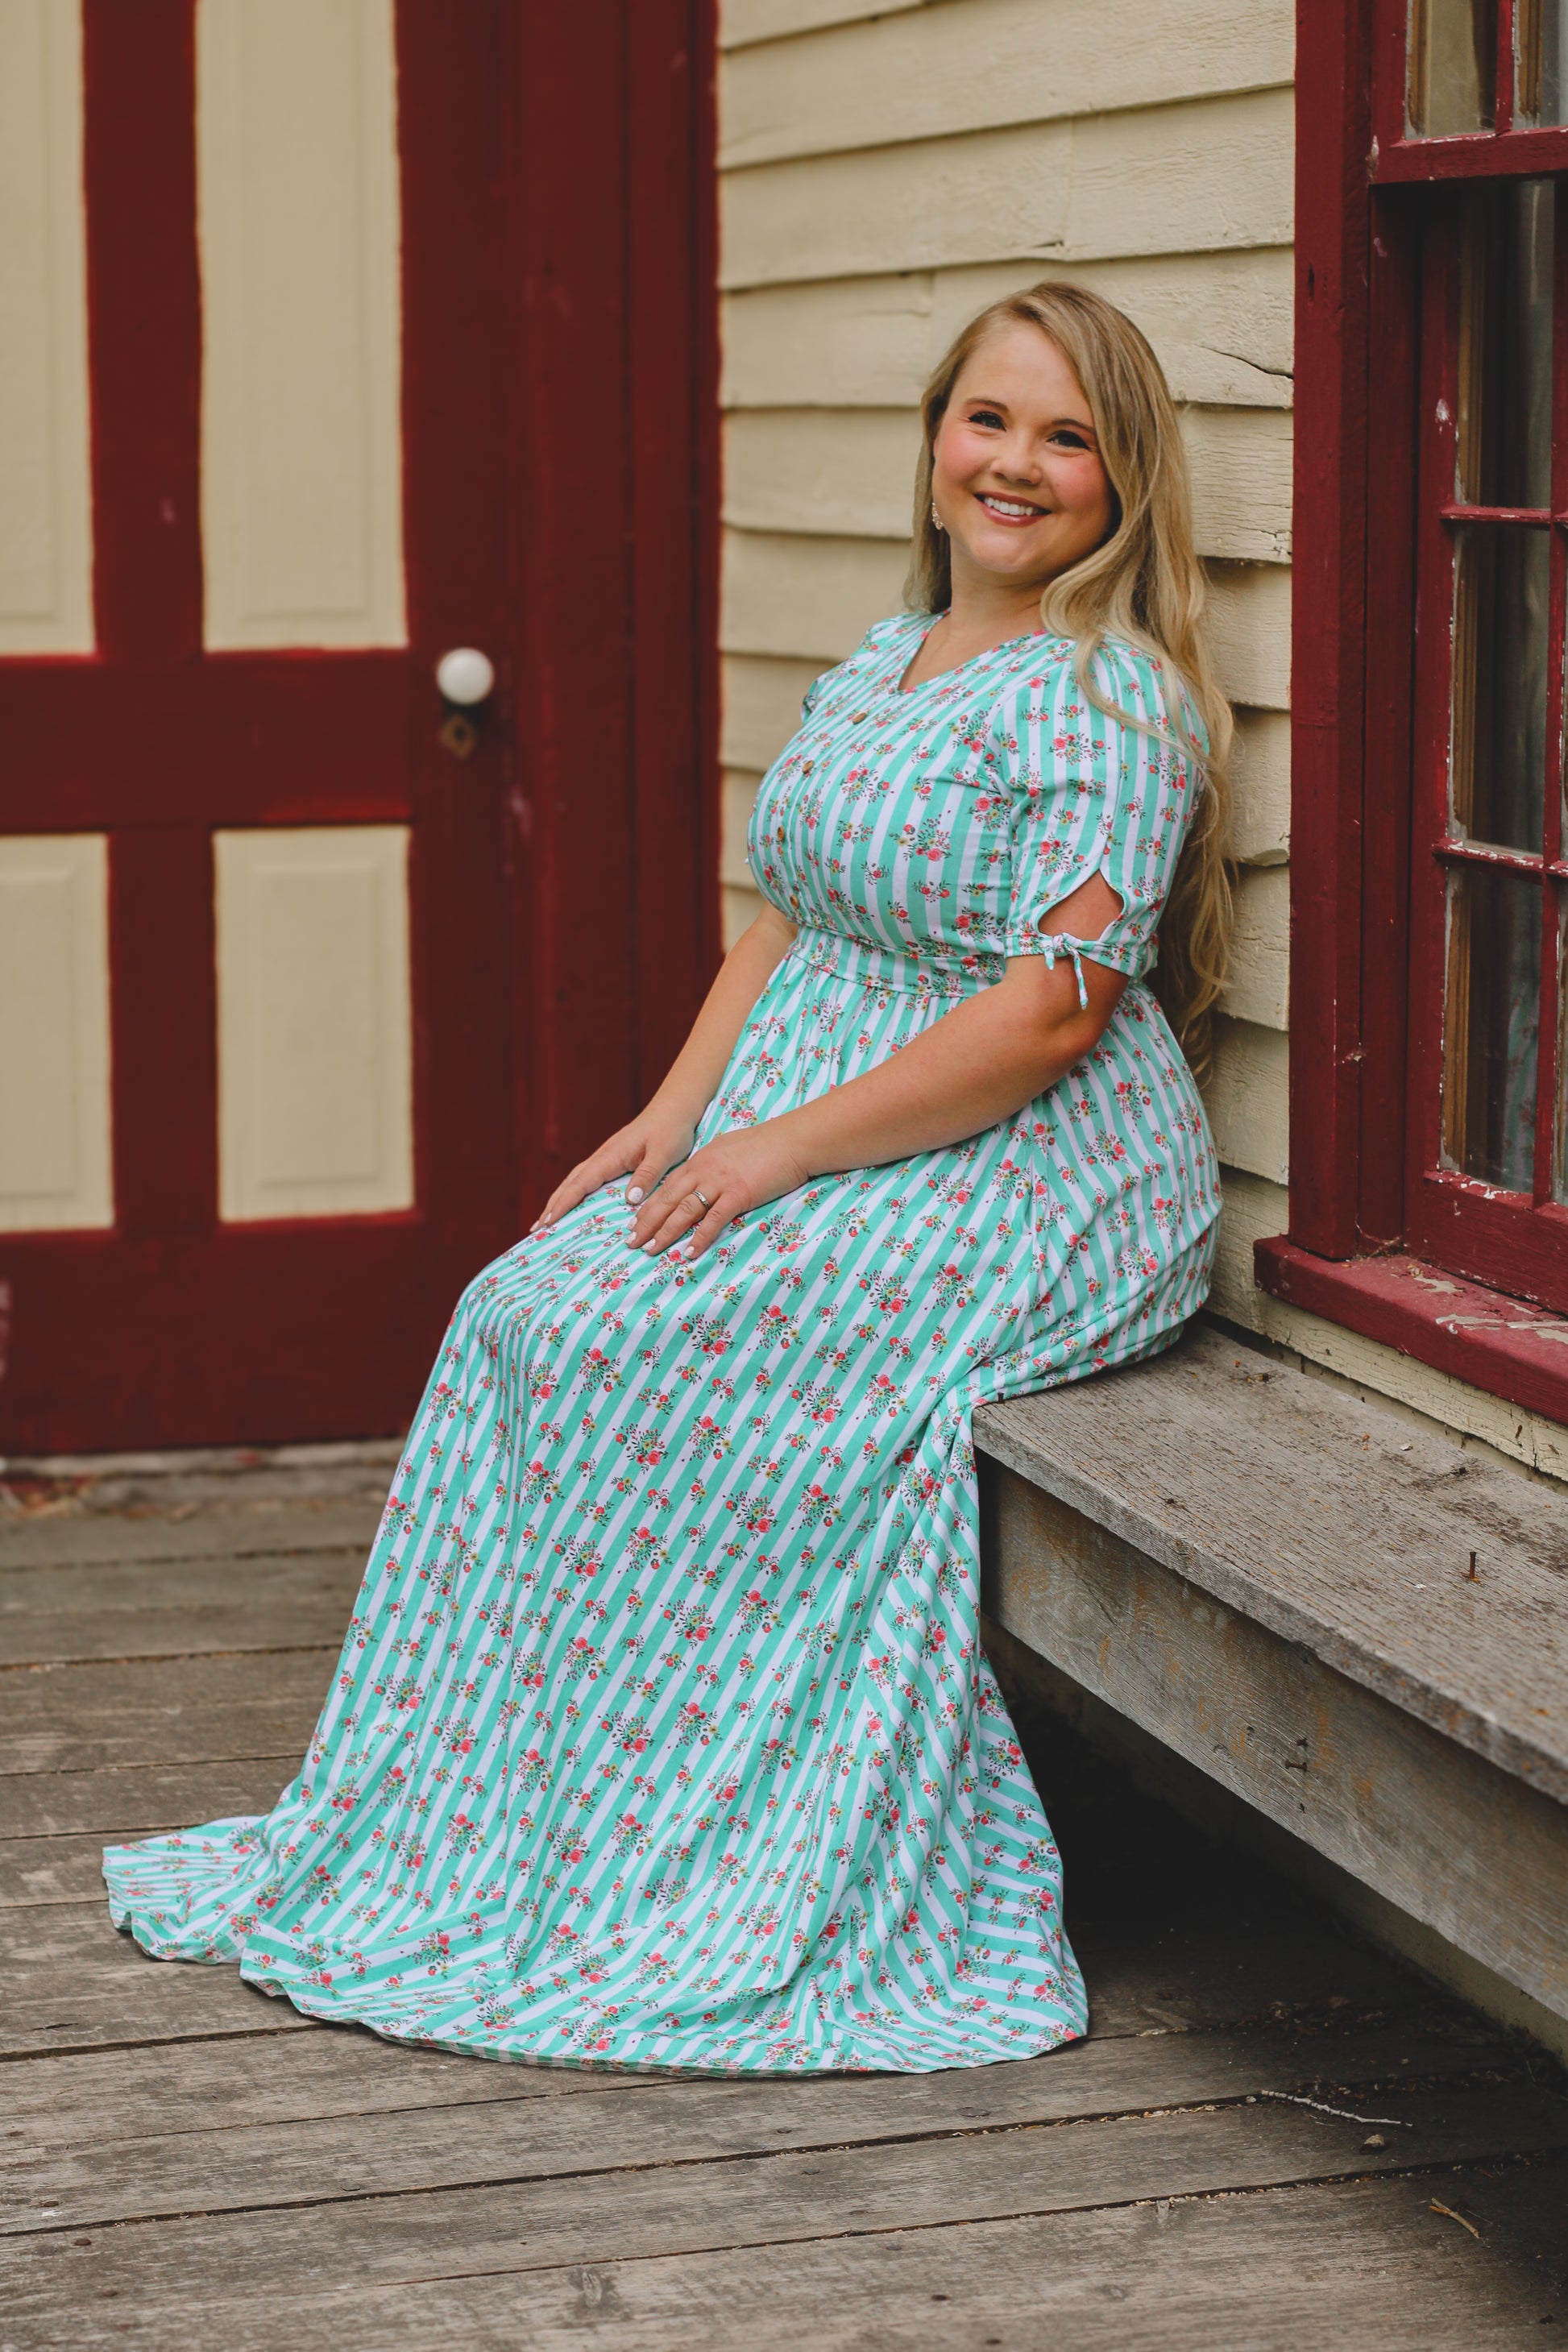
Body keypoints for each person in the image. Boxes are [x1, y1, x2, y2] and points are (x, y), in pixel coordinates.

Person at [105, 282, 1230, 2073]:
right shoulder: (884, 660)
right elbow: (784, 908)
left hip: (1037, 1162)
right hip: (824, 1101)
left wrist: (776, 1147)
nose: (1016, 464)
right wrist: (672, 1112)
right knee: (526, 1310)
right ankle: (515, 1824)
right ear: (935, 436)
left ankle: (684, 1855)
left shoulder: (1109, 701)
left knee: (661, 1353)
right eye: (988, 419)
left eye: (1067, 436)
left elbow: (1041, 1022)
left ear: (1124, 479)